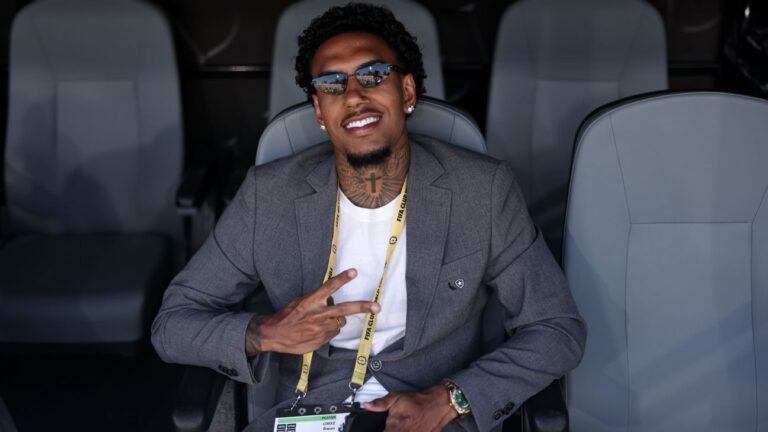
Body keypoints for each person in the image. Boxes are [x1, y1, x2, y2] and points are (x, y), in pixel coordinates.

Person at [151, 4, 586, 431]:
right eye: (332, 84)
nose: (354, 95)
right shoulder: (270, 194)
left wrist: (452, 397)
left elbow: (556, 328)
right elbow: (172, 323)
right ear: (319, 111)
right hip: (309, 411)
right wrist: (264, 332)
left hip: (431, 414)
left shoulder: (482, 190)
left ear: (407, 92)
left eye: (374, 75)